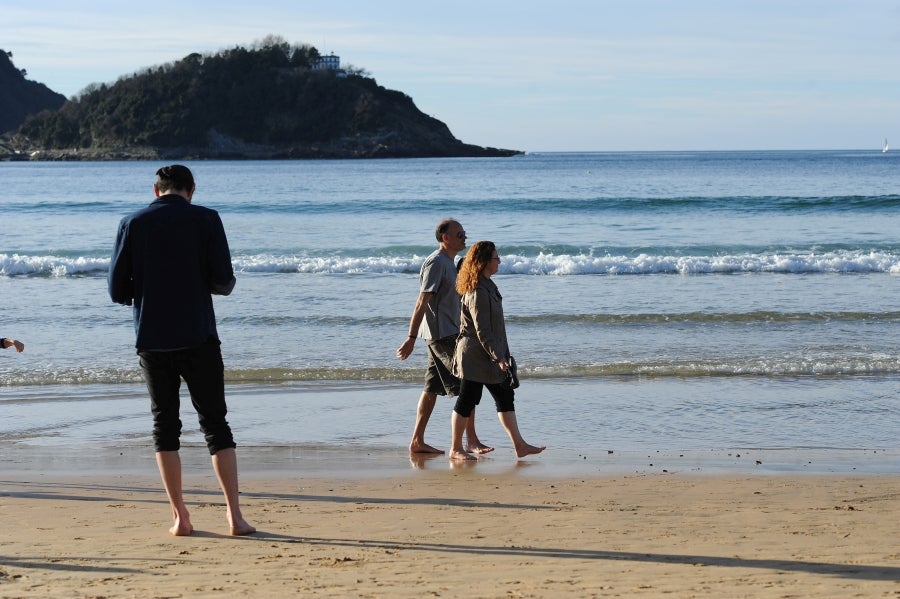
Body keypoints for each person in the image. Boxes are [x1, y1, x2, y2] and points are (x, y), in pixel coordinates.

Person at [108, 164, 255, 537]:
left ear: (155, 190)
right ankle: (234, 517)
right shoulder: (206, 219)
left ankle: (180, 517)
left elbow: (116, 291)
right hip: (199, 335)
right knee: (216, 425)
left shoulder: (132, 223)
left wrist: (146, 292)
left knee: (164, 428)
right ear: (192, 189)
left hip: (153, 339)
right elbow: (223, 282)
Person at [397, 219, 492, 455]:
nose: (464, 237)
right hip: (442, 335)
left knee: (431, 388)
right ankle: (468, 441)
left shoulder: (451, 263)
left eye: (464, 233)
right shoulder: (436, 263)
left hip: (446, 332)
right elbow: (422, 302)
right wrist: (410, 337)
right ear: (445, 238)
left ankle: (417, 441)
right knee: (468, 382)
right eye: (459, 234)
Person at [449, 241, 546, 461]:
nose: (499, 261)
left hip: (491, 354)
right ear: (484, 261)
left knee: (505, 396)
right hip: (475, 355)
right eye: (496, 257)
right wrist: (498, 357)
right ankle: (455, 448)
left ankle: (519, 445)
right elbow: (482, 331)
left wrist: (503, 355)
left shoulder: (488, 285)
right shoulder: (478, 292)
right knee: (467, 399)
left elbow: (495, 329)